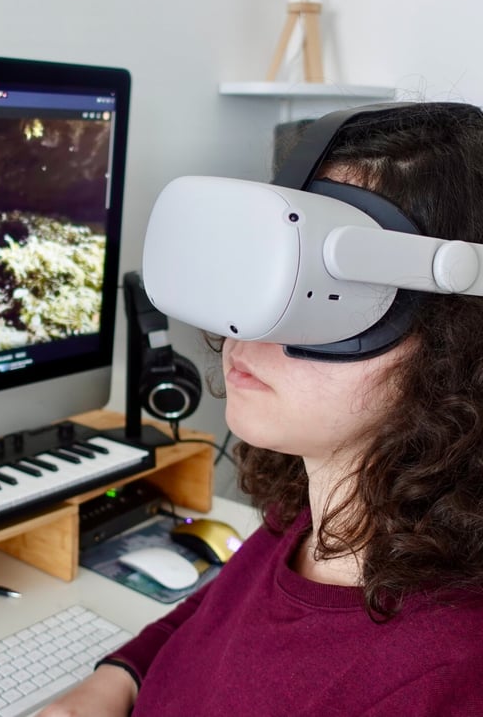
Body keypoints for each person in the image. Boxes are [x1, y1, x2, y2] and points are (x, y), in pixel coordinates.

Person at [36, 102, 483, 716]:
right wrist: (117, 679)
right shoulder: (315, 515)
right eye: (270, 274)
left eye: (326, 298)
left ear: (458, 338)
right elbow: (215, 617)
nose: (248, 334)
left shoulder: (444, 674)